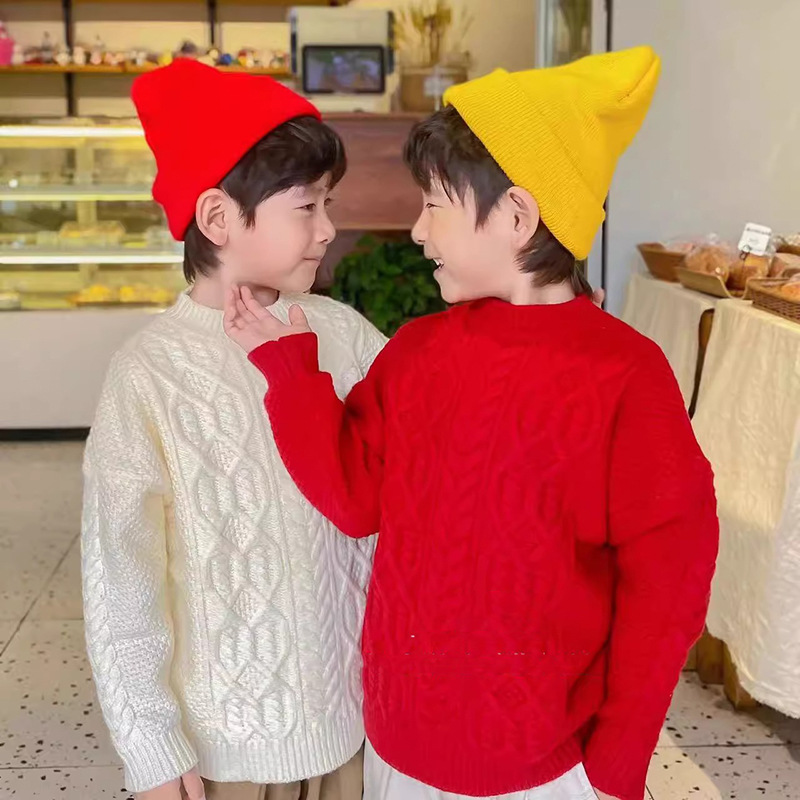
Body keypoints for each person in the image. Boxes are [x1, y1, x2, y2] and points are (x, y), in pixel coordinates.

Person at [224, 47, 719, 800]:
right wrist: (291, 372)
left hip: (550, 769)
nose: (417, 231)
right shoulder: (418, 352)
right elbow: (354, 498)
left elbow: (668, 587)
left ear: (516, 216)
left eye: (434, 204)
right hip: (401, 744)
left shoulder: (626, 375)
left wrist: (618, 758)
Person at [81, 59, 385, 800]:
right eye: (306, 206)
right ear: (218, 219)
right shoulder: (149, 373)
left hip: (357, 730)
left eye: (330, 203)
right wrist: (151, 742)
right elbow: (121, 577)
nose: (329, 228)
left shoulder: (344, 335)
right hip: (227, 751)